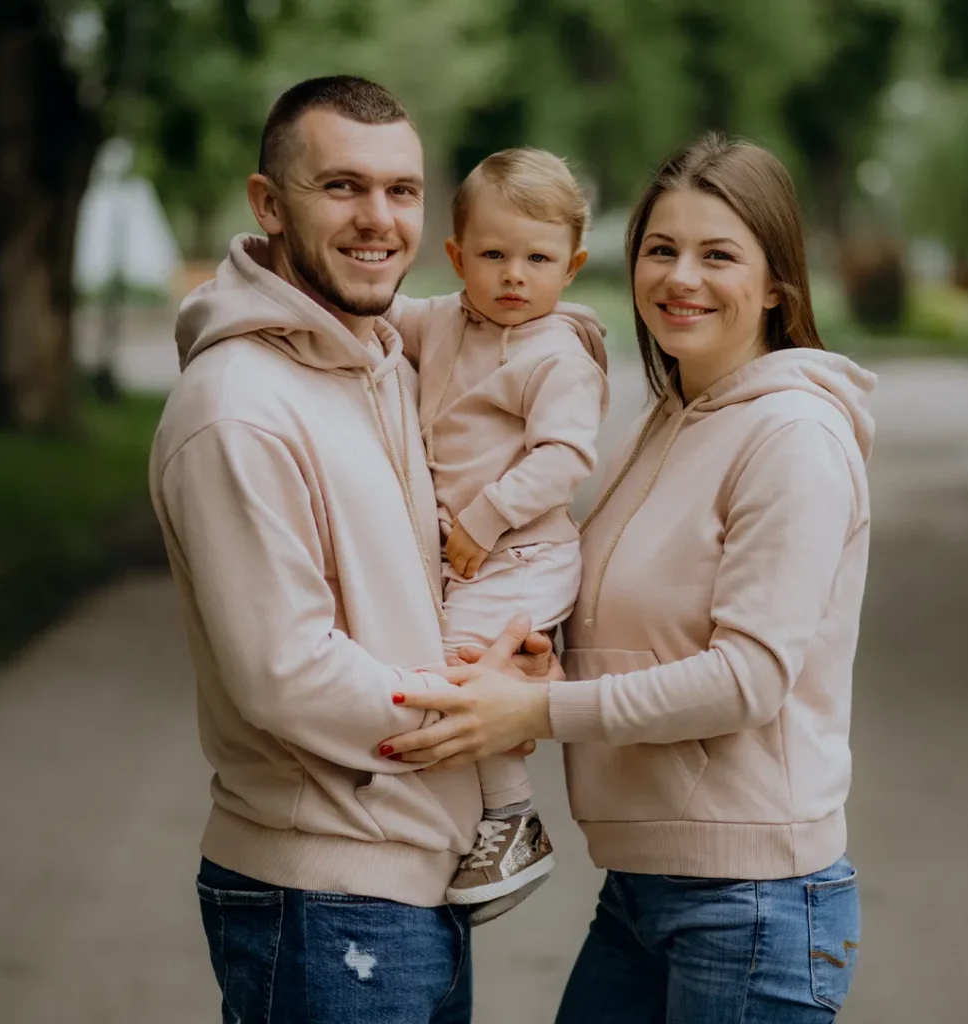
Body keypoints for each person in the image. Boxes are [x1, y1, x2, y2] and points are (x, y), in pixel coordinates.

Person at [381, 132, 876, 1022]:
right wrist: (545, 668)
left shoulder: (793, 439)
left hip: (753, 903)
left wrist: (538, 714)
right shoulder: (665, 423)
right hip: (643, 890)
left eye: (717, 255)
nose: (681, 277)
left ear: (776, 284)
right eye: (661, 249)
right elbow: (637, 628)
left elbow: (747, 680)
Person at [149, 74, 524, 1024]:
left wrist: (505, 661)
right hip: (320, 901)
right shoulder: (237, 407)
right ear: (269, 204)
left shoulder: (382, 364)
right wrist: (472, 712)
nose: (378, 219)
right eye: (342, 187)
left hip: (416, 886)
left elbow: (412, 591)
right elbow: (287, 673)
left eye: (402, 190)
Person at [386, 148, 608, 925]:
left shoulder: (557, 356)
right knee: (449, 661)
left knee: (460, 672)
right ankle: (481, 806)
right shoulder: (442, 320)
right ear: (457, 258)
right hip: (472, 560)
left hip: (524, 555)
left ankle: (513, 820)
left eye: (538, 259)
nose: (515, 276)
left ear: (571, 267)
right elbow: (369, 311)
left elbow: (564, 457)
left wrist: (484, 517)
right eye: (493, 256)